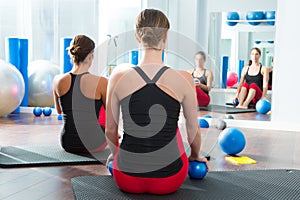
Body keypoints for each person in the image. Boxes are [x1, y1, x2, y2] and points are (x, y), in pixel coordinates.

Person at [105, 9, 209, 195]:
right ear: (166, 37)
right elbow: (193, 130)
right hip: (169, 180)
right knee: (172, 127)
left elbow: (111, 130)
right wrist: (195, 156)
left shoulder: (118, 77)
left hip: (126, 178)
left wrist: (114, 155)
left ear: (137, 36)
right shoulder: (184, 78)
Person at [53, 34, 108, 153]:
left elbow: (59, 111)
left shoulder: (57, 80)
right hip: (94, 143)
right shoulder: (102, 82)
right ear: (90, 56)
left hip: (68, 143)